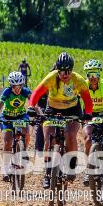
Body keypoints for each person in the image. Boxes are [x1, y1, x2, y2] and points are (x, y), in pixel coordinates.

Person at [28, 51, 94, 188]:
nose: (65, 74)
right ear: (57, 70)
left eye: (68, 71)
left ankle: (71, 165)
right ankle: (47, 172)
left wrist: (88, 113)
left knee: (70, 135)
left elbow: (87, 100)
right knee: (48, 137)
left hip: (72, 109)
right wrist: (30, 106)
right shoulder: (51, 77)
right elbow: (36, 93)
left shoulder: (78, 80)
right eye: (61, 71)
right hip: (52, 108)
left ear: (72, 70)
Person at [0, 72, 32, 182]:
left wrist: (38, 112)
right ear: (11, 86)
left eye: (19, 86)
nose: (17, 89)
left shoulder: (26, 91)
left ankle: (23, 150)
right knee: (7, 141)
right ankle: (5, 168)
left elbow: (33, 102)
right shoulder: (7, 92)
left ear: (22, 85)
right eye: (14, 86)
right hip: (7, 117)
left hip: (21, 116)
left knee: (27, 133)